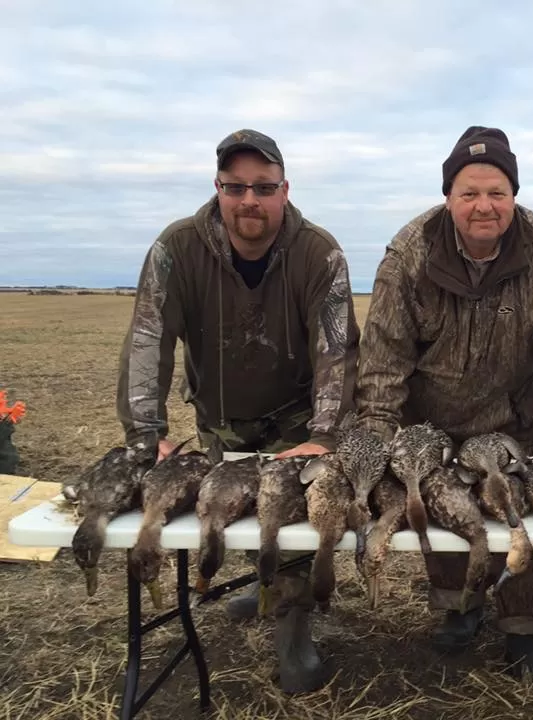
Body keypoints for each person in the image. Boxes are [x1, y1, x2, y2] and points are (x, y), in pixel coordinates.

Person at [354, 126, 533, 677]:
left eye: (496, 192)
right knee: (446, 516)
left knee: (524, 513)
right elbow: (383, 357)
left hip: (518, 417)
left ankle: (525, 626)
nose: (483, 206)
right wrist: (376, 443)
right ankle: (459, 609)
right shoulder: (409, 253)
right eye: (469, 193)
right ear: (449, 197)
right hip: (433, 421)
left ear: (513, 195)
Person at [116, 128, 360, 693]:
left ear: (284, 190)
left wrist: (324, 434)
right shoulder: (175, 250)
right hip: (221, 415)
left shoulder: (320, 253)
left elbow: (337, 350)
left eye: (263, 186)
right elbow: (148, 339)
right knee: (235, 507)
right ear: (218, 188)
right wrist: (146, 434)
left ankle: (294, 627)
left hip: (298, 414)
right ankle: (264, 581)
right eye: (236, 186)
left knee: (292, 514)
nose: (249, 198)